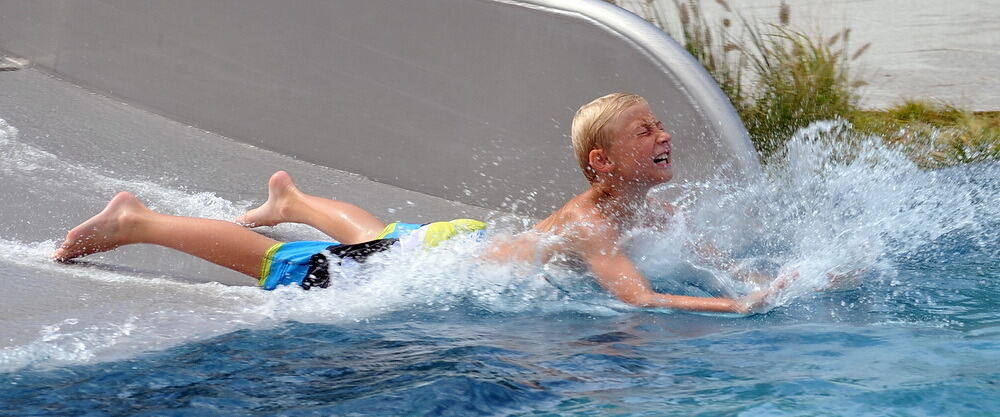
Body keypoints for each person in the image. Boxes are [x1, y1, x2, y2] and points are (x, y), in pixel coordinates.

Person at [53, 93, 788, 313]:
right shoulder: (595, 220)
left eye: (660, 126)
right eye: (645, 131)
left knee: (382, 239)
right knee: (292, 267)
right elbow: (642, 298)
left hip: (451, 248)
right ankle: (136, 221)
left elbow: (701, 255)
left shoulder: (650, 206)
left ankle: (295, 196)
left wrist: (761, 280)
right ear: (603, 162)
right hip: (441, 256)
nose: (664, 136)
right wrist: (739, 309)